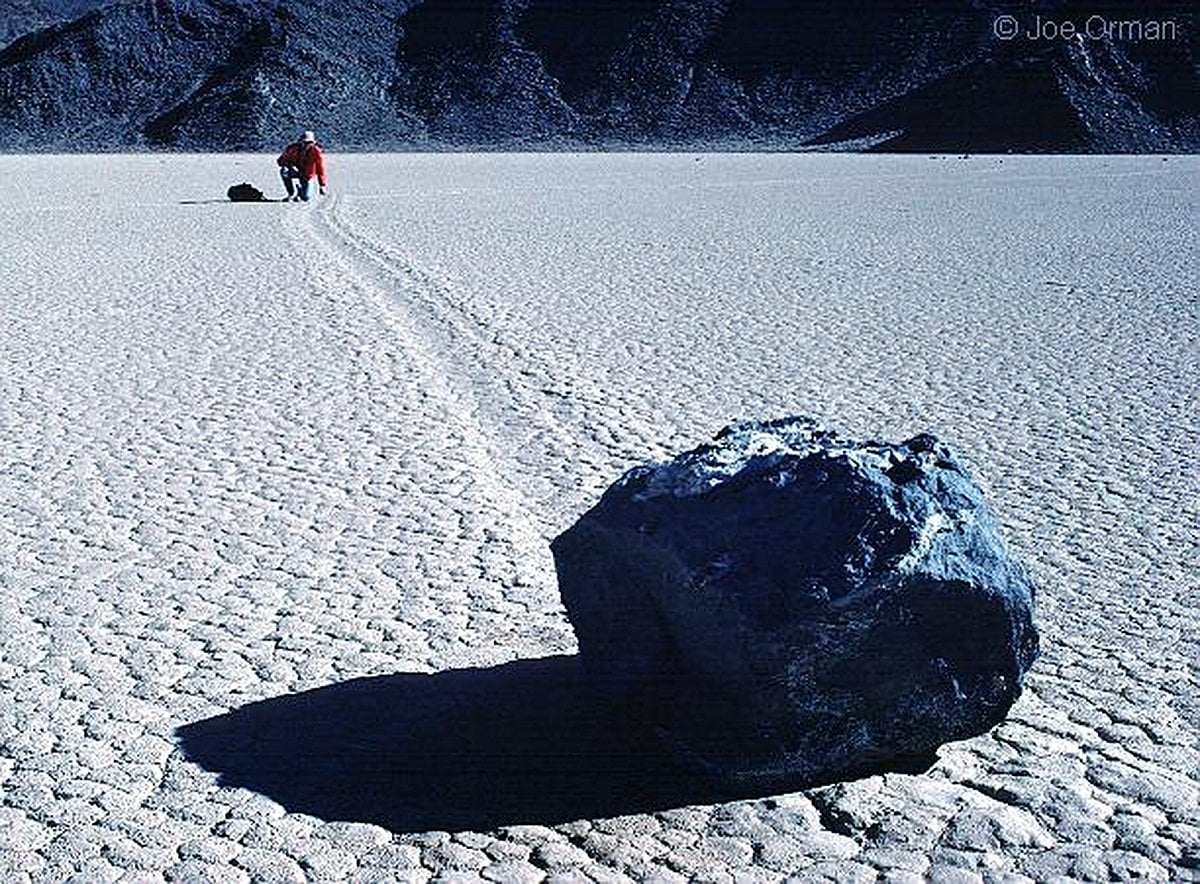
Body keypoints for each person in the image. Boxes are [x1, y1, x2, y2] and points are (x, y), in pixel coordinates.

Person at [277, 130, 327, 201]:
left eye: (310, 143)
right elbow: (280, 161)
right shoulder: (292, 149)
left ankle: (300, 191)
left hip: (307, 175)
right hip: (295, 171)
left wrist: (322, 185)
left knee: (306, 197)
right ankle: (291, 193)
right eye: (305, 142)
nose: (307, 145)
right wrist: (290, 165)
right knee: (284, 171)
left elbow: (320, 169)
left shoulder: (316, 152)